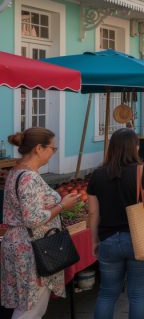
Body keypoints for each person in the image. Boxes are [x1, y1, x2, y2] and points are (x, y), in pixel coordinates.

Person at [2, 128, 81, 317]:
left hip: (23, 245)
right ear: (39, 148)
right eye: (52, 148)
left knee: (27, 306)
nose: (53, 153)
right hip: (31, 250)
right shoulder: (28, 177)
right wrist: (62, 205)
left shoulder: (18, 171)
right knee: (30, 310)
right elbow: (33, 219)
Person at [87, 128, 144, 319]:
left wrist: (94, 240)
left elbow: (93, 213)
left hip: (108, 239)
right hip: (139, 240)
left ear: (112, 148)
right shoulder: (142, 171)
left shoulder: (97, 174)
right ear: (135, 147)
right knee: (138, 294)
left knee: (107, 293)